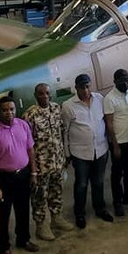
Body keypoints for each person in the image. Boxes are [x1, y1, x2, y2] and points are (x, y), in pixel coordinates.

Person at [0, 96, 39, 254]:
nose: (9, 113)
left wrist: (33, 173)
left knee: (23, 209)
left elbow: (30, 150)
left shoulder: (23, 125)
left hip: (23, 174)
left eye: (12, 109)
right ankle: (4, 248)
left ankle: (23, 239)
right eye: (5, 110)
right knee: (4, 214)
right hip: (4, 178)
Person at [61, 74, 114, 229]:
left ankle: (100, 209)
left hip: (100, 150)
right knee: (81, 184)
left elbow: (105, 121)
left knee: (98, 182)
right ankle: (79, 213)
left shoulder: (99, 99)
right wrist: (67, 153)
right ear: (76, 88)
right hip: (80, 153)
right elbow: (65, 131)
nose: (85, 90)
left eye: (87, 86)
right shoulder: (68, 106)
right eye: (82, 87)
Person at [23, 83, 73, 240]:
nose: (44, 96)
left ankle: (57, 218)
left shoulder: (56, 109)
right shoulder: (30, 115)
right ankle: (41, 226)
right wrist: (32, 168)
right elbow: (27, 144)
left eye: (47, 93)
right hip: (41, 165)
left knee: (57, 191)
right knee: (39, 197)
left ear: (51, 94)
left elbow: (62, 133)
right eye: (41, 93)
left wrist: (64, 155)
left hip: (57, 161)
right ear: (35, 96)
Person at [104, 69, 128, 217]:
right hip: (118, 143)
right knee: (117, 174)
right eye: (122, 81)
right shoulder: (109, 98)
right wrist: (115, 145)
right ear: (115, 82)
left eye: (127, 80)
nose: (126, 83)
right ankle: (117, 202)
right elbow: (109, 123)